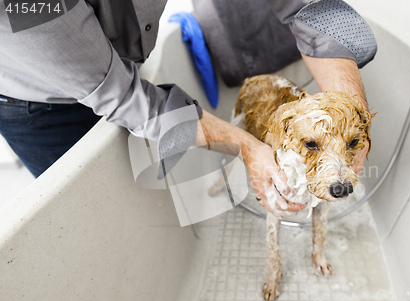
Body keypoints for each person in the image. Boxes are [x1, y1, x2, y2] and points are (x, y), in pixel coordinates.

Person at [0, 0, 376, 217]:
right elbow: (126, 98)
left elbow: (307, 6)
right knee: (93, 215)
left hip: (116, 68)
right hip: (37, 107)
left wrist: (351, 117)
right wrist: (247, 147)